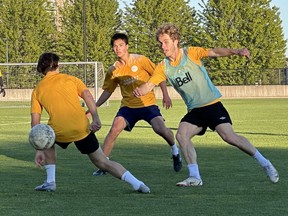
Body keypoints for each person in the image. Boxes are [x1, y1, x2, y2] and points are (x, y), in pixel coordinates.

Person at [133, 23, 279, 186]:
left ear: (175, 41)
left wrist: (236, 51)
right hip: (195, 111)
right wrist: (140, 90)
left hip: (212, 104)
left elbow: (215, 52)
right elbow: (150, 84)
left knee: (229, 137)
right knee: (181, 135)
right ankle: (195, 177)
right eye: (160, 43)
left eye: (165, 42)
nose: (162, 46)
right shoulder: (163, 66)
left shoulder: (190, 53)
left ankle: (265, 163)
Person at [30, 52, 150, 193]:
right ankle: (137, 183)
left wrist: (39, 149)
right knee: (103, 162)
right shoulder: (71, 79)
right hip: (81, 128)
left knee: (48, 137)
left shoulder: (37, 90)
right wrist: (96, 117)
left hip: (58, 131)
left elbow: (35, 122)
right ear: (58, 65)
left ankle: (50, 181)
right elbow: (87, 95)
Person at [92, 32, 182, 176]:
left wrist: (166, 95)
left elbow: (159, 75)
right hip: (128, 107)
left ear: (127, 46)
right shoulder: (113, 70)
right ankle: (104, 165)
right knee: (114, 129)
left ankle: (175, 151)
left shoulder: (141, 60)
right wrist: (94, 106)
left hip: (147, 104)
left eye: (121, 45)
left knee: (160, 129)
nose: (118, 48)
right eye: (115, 46)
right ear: (113, 49)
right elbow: (108, 91)